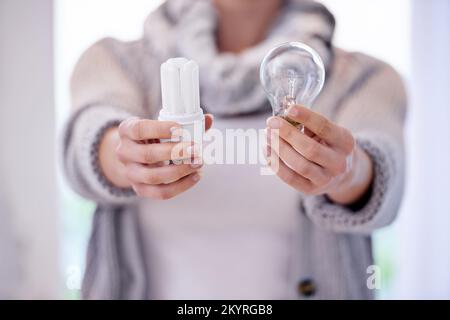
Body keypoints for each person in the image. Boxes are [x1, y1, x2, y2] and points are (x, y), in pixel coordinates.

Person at [63, 0, 406, 299]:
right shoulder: (115, 62)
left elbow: (383, 169)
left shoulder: (363, 78)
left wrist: (347, 172)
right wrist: (121, 156)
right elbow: (87, 134)